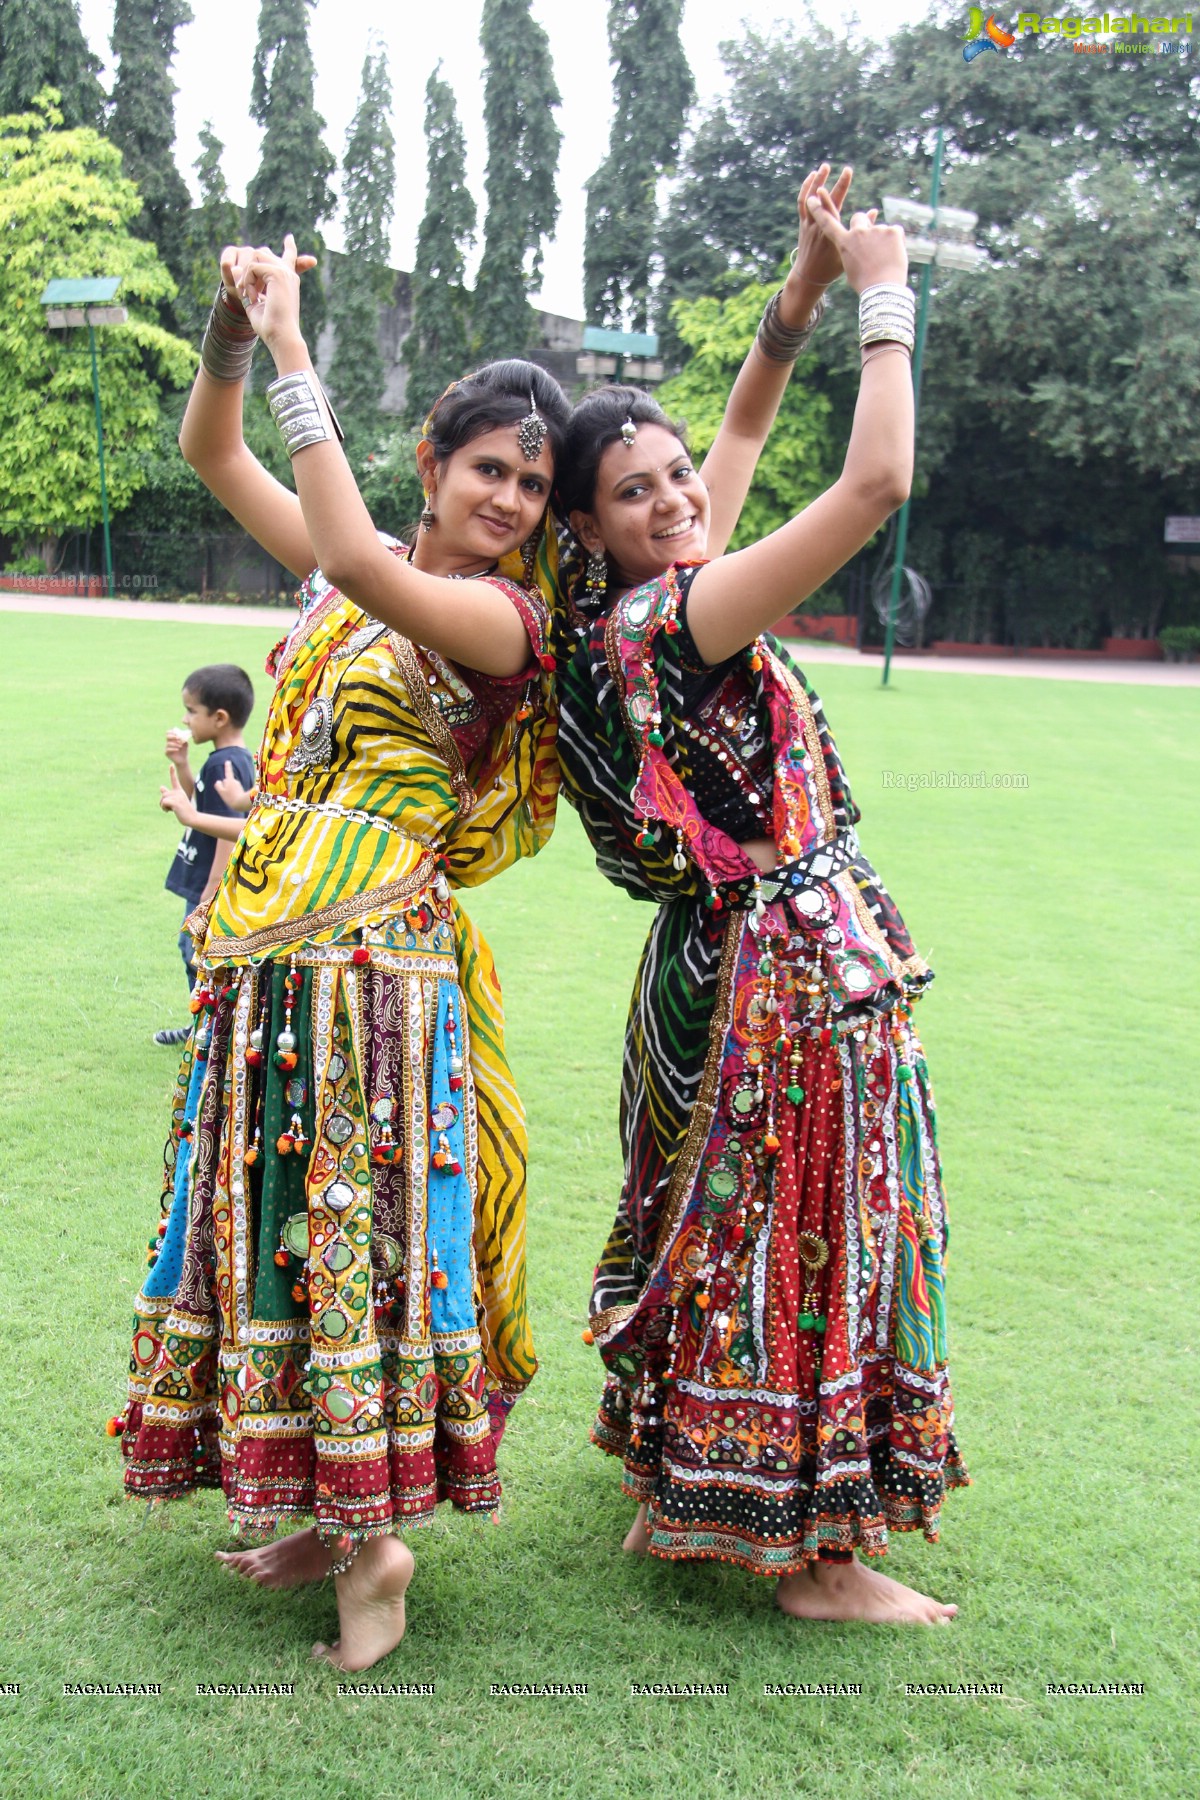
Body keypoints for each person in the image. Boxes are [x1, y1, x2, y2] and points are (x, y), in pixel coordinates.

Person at [116, 235, 570, 1672]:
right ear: (432, 460)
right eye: (488, 467)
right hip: (271, 962)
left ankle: (380, 1550)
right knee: (281, 1232)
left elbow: (361, 558)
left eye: (534, 484)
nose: (507, 499)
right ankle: (324, 1509)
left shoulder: (497, 621)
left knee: (359, 1238)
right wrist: (236, 335)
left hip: (378, 977)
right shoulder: (341, 567)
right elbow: (211, 448)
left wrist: (306, 348)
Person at [553, 169, 967, 1625]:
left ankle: (692, 1476)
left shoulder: (637, 606)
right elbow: (874, 487)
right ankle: (821, 1563)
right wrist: (885, 299)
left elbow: (734, 434)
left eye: (674, 479)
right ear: (587, 531)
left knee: (729, 1219)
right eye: (637, 493)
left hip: (718, 962)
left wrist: (792, 297)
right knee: (804, 1224)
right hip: (783, 970)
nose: (677, 499)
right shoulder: (685, 611)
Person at [155, 666, 256, 1046]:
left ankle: (209, 1030)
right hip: (206, 881)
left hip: (208, 883)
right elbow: (204, 808)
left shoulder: (223, 763)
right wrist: (182, 766)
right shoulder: (230, 759)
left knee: (193, 952)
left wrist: (210, 891)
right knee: (195, 954)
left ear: (219, 718)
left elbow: (228, 834)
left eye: (191, 711)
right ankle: (204, 1027)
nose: (185, 719)